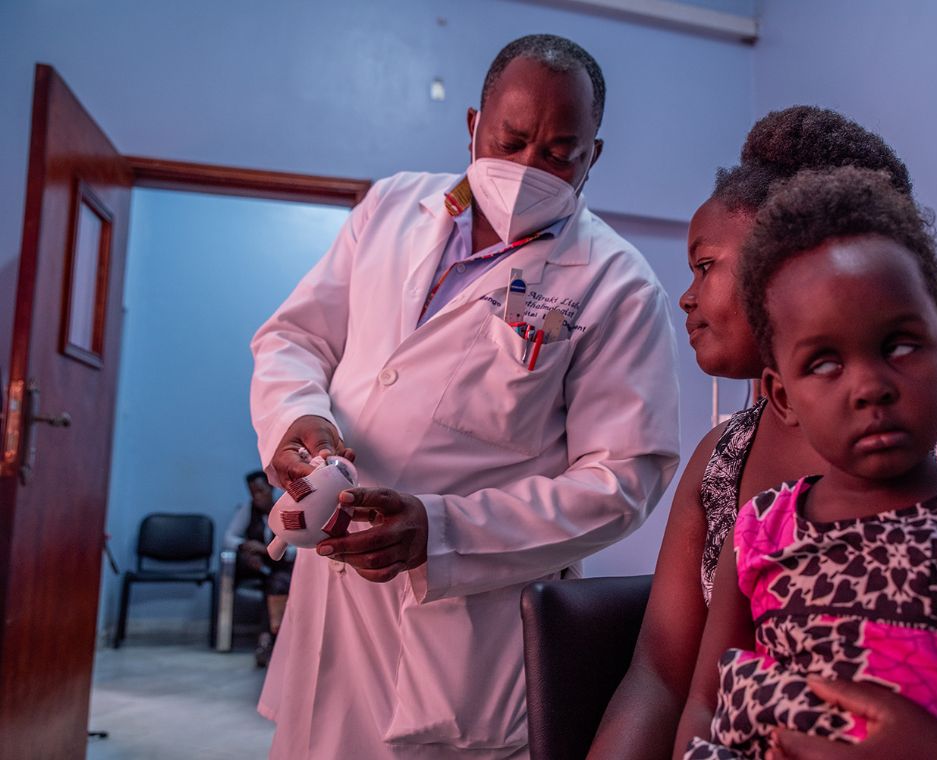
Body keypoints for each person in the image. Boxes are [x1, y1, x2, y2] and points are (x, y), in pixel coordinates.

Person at [589, 106, 937, 759]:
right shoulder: (730, 476)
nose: (686, 295)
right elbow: (666, 680)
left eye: (705, 264)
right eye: (823, 361)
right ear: (782, 392)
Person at [249, 34, 680, 758]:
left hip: (462, 632)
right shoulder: (392, 206)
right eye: (510, 141)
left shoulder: (616, 283)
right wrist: (302, 421)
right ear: (474, 125)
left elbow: (621, 481)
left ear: (593, 157)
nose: (527, 167)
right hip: (333, 601)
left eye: (558, 153)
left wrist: (442, 530)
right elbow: (296, 338)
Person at [223, 470, 293, 666]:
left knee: (276, 584)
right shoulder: (248, 509)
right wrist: (246, 546)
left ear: (271, 489)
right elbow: (229, 538)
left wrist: (264, 549)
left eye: (261, 491)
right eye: (253, 493)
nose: (257, 497)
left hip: (280, 567)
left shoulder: (285, 509)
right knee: (248, 564)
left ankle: (267, 640)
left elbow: (295, 550)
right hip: (257, 567)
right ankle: (265, 641)